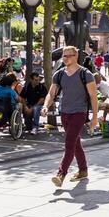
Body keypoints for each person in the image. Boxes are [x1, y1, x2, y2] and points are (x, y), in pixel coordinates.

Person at [42, 46, 99, 187]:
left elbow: (93, 97)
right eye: (64, 56)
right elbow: (51, 93)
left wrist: (94, 118)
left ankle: (61, 174)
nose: (65, 58)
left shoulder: (86, 74)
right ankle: (83, 170)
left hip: (79, 112)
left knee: (69, 143)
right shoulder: (59, 74)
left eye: (68, 56)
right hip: (64, 112)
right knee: (75, 143)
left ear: (76, 56)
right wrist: (45, 105)